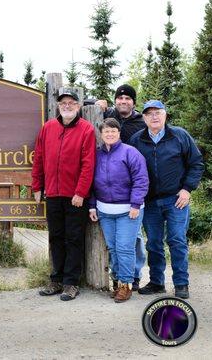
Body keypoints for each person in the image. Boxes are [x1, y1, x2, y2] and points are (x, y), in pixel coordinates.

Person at [129, 100, 204, 299]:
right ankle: (156, 282)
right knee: (153, 243)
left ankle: (181, 284)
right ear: (143, 117)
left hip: (176, 200)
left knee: (177, 240)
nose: (154, 116)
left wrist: (187, 189)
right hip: (150, 202)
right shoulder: (137, 140)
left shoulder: (179, 136)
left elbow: (196, 164)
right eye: (149, 113)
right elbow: (129, 169)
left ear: (165, 115)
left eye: (158, 112)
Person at [32, 90, 96, 301]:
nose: (67, 106)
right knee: (56, 237)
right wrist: (37, 186)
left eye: (71, 103)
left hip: (75, 197)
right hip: (53, 193)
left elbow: (88, 165)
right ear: (58, 106)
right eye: (63, 103)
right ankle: (56, 280)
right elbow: (39, 158)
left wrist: (80, 192)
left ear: (77, 106)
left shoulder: (86, 129)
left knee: (74, 239)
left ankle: (71, 283)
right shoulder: (48, 128)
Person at [89, 118, 149, 303]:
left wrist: (135, 204)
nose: (109, 134)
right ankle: (117, 283)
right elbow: (90, 182)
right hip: (105, 210)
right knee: (113, 248)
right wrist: (92, 205)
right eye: (106, 131)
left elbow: (141, 179)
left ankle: (126, 285)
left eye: (113, 130)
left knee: (125, 248)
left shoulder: (130, 152)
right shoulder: (96, 155)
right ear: (101, 134)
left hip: (128, 210)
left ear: (119, 133)